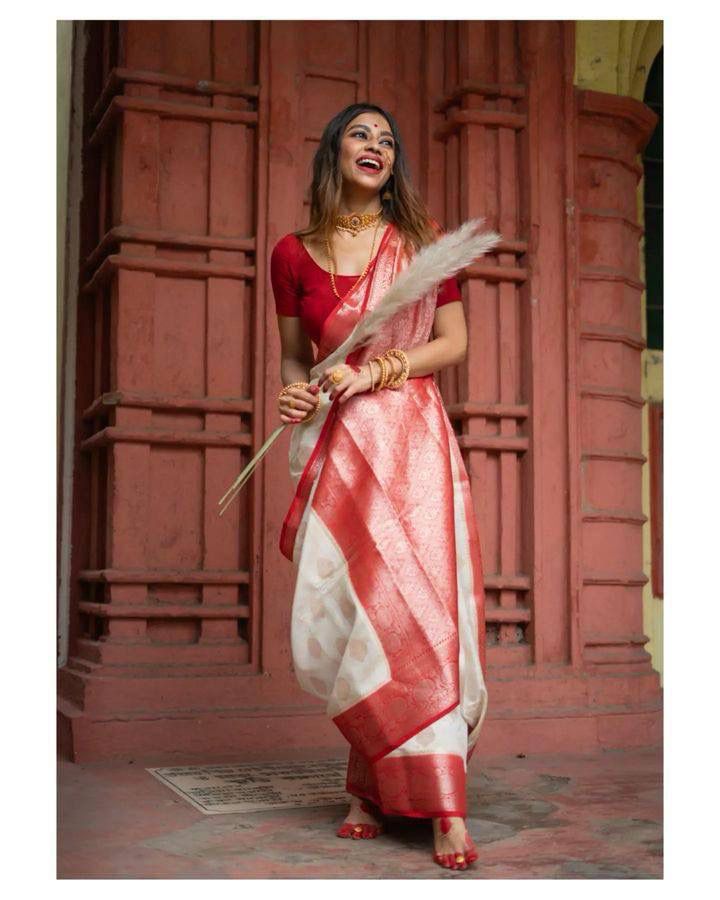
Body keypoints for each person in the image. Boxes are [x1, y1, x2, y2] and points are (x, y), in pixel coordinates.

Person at [270, 102, 488, 871]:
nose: (378, 147)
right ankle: (365, 779)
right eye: (362, 134)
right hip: (338, 442)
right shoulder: (292, 254)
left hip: (411, 438)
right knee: (354, 608)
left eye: (389, 140)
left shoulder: (422, 247)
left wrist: (381, 370)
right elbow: (296, 359)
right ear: (335, 151)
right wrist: (295, 392)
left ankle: (444, 801)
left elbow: (453, 345)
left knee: (418, 608)